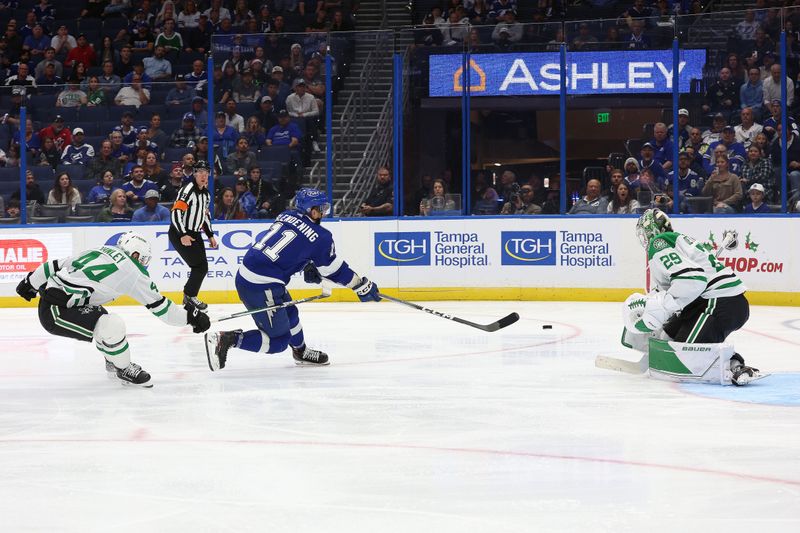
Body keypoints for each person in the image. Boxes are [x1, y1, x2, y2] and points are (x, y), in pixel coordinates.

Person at [204, 188, 381, 370]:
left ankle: (301, 352)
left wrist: (305, 264)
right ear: (312, 210)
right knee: (278, 342)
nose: (324, 212)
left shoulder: (285, 215)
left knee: (291, 314)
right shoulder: (322, 237)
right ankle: (226, 340)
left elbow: (292, 246)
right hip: (261, 285)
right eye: (322, 208)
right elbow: (334, 270)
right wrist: (360, 285)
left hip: (253, 275)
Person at [14, 231, 210, 387]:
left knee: (102, 318)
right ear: (136, 254)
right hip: (57, 312)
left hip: (57, 300)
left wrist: (29, 282)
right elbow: (164, 310)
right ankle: (123, 368)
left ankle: (113, 358)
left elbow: (56, 264)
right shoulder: (132, 272)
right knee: (111, 324)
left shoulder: (102, 250)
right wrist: (192, 317)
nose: (143, 264)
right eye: (143, 259)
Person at [624, 209, 760, 385]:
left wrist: (663, 306)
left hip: (720, 302)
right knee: (667, 338)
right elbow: (682, 285)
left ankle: (734, 365)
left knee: (685, 354)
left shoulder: (658, 243)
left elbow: (692, 280)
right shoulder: (677, 242)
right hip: (706, 302)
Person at [169, 159, 217, 311]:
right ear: (195, 174)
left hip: (195, 233)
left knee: (201, 267)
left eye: (206, 172)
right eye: (200, 172)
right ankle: (189, 297)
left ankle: (189, 296)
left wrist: (210, 235)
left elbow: (204, 216)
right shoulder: (188, 190)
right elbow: (176, 212)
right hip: (180, 232)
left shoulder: (206, 194)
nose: (203, 175)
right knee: (200, 267)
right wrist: (182, 234)